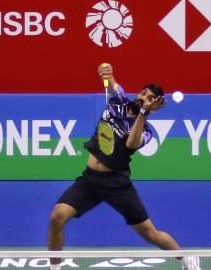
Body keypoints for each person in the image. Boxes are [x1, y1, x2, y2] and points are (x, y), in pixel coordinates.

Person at [47, 63, 201, 270]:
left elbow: (131, 143)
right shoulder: (117, 101)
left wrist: (143, 114)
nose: (142, 98)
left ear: (154, 106)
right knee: (57, 215)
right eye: (143, 93)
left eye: (148, 98)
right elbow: (111, 84)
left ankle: (187, 258)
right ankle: (54, 268)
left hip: (116, 184)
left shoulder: (145, 131)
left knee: (150, 233)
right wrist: (107, 74)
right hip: (90, 180)